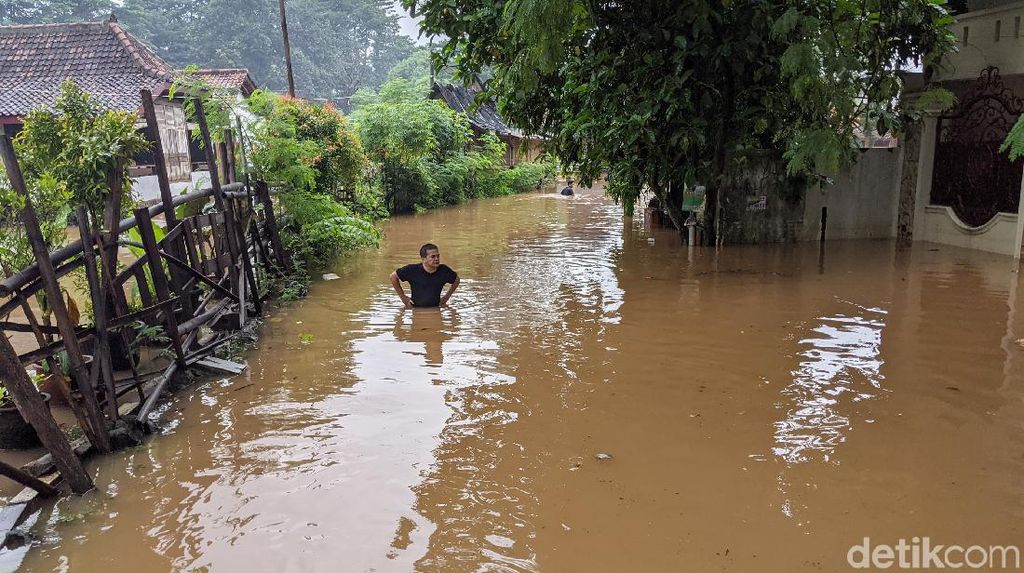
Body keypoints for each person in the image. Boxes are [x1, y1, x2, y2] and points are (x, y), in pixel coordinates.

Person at [390, 243, 459, 308]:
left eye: (438, 256)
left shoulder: (444, 270)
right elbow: (393, 276)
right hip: (415, 308)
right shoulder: (412, 270)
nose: (437, 259)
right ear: (424, 259)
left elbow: (456, 280)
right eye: (433, 257)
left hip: (436, 309)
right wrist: (403, 298)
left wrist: (446, 297)